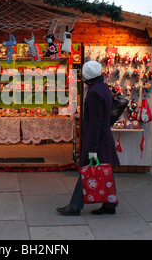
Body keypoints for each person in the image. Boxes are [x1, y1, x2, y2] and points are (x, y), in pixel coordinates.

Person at [57, 60, 120, 216]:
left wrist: (92, 148)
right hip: (104, 136)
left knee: (87, 170)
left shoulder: (93, 93)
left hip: (97, 139)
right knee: (105, 169)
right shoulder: (103, 88)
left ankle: (75, 205)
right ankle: (110, 204)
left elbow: (95, 123)